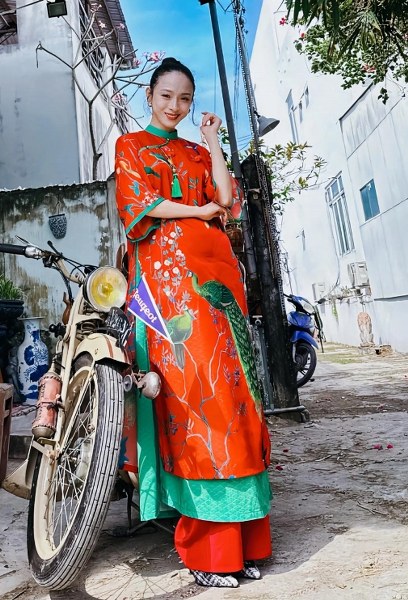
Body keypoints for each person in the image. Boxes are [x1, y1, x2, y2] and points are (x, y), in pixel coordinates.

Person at [115, 57, 272, 589]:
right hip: (168, 288)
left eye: (184, 98)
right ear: (150, 95)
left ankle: (243, 541)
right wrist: (197, 213)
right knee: (193, 399)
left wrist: (214, 142)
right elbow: (140, 208)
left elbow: (226, 201)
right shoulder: (131, 147)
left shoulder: (197, 152)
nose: (175, 106)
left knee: (235, 395)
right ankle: (208, 547)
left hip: (218, 284)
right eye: (167, 96)